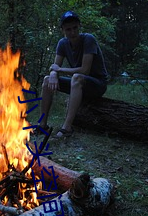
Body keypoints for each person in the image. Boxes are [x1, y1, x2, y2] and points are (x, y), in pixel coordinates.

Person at [37, 10, 109, 138]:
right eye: (68, 29)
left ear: (79, 26)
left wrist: (58, 70)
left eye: (75, 28)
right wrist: (53, 74)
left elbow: (84, 70)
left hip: (97, 84)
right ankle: (43, 125)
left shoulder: (88, 39)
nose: (73, 32)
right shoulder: (62, 43)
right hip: (79, 83)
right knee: (47, 80)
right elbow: (55, 67)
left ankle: (67, 128)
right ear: (63, 30)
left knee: (77, 77)